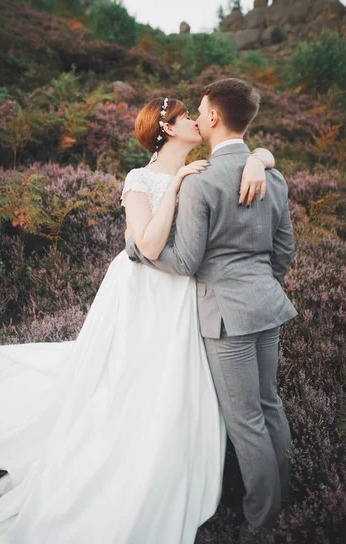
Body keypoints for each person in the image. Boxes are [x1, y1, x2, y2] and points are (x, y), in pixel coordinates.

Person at [0, 92, 274, 544]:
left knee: (179, 381)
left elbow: (245, 150)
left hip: (184, 292)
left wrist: (259, 156)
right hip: (145, 289)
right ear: (168, 129)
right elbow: (150, 245)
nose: (198, 123)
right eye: (187, 118)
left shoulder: (205, 170)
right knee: (130, 376)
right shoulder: (140, 178)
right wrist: (176, 185)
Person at [126, 78, 298, 544]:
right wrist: (260, 283)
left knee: (245, 420)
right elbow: (284, 251)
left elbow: (184, 260)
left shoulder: (201, 183)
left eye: (201, 111)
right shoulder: (273, 177)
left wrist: (139, 252)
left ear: (216, 117)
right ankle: (284, 502)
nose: (198, 119)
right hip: (268, 305)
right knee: (270, 406)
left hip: (226, 315)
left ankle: (263, 523)